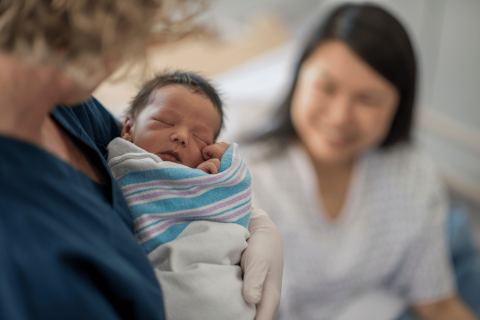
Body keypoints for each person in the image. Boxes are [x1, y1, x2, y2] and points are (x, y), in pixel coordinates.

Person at [0, 1, 283, 320]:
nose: (123, 58)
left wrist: (248, 218)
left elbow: (157, 171)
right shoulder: (15, 234)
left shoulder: (68, 107)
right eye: (130, 35)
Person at [241, 3, 478, 320]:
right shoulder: (246, 179)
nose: (339, 117)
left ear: (399, 103)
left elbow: (437, 304)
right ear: (299, 78)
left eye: (367, 98)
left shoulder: (411, 173)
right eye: (326, 87)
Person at [106, 71, 255, 319]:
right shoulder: (122, 162)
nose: (182, 136)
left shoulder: (205, 176)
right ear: (129, 128)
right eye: (164, 122)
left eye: (199, 137)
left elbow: (232, 204)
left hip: (225, 293)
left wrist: (219, 181)